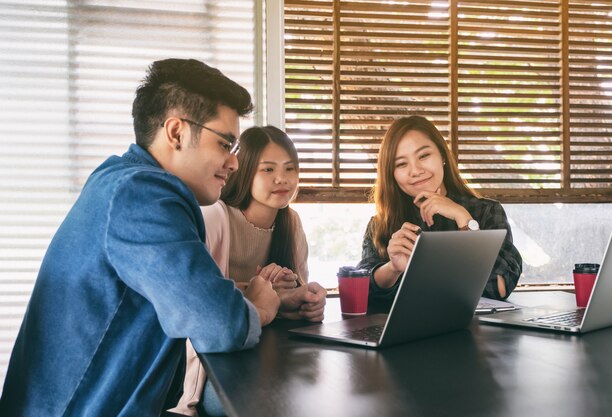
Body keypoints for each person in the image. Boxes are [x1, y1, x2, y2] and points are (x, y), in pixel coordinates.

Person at [0, 58, 281, 417]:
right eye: (225, 143)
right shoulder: (143, 194)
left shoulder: (120, 180)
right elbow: (220, 325)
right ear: (176, 132)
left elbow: (186, 295)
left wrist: (253, 296)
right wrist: (259, 309)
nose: (235, 163)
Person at [171, 125, 326, 416]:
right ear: (243, 171)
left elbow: (285, 301)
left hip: (270, 356)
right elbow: (201, 308)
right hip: (213, 364)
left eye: (290, 168)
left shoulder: (290, 224)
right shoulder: (215, 217)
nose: (282, 179)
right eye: (267, 169)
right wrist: (254, 293)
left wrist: (304, 302)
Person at [357, 115, 522, 310]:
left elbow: (499, 288)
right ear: (391, 175)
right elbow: (360, 292)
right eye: (401, 164)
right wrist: (393, 268)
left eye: (424, 156)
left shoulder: (486, 211)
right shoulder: (380, 224)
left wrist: (464, 219)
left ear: (442, 156)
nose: (415, 170)